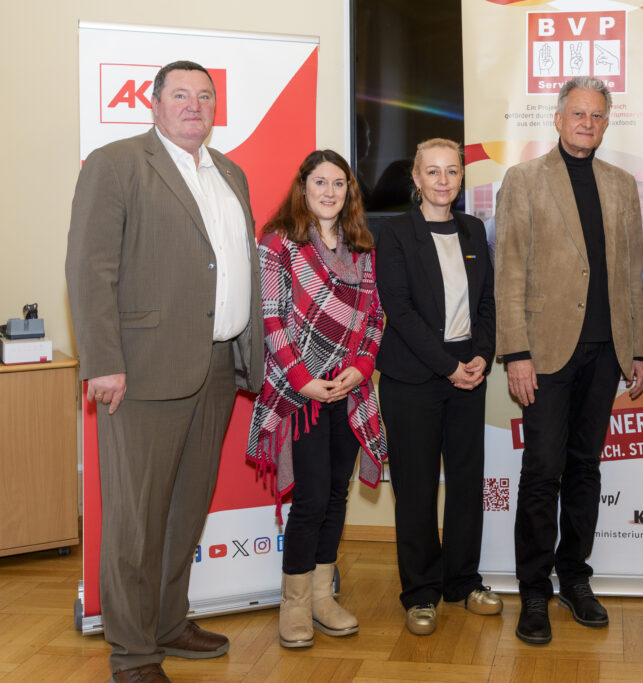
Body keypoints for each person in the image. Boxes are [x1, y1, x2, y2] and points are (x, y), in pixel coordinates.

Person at [65, 60, 263, 682]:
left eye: (205, 96)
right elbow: (88, 270)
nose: (194, 105)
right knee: (135, 519)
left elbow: (235, 267)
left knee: (185, 510)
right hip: (142, 372)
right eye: (180, 94)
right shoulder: (117, 163)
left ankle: (169, 622)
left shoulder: (229, 172)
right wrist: (103, 362)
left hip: (216, 365)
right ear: (153, 103)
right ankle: (132, 652)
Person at [495, 77, 643, 646]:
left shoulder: (619, 184)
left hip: (605, 353)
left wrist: (639, 346)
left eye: (596, 115)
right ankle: (533, 590)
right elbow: (509, 269)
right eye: (577, 113)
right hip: (544, 353)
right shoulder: (524, 179)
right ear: (558, 120)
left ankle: (575, 578)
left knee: (585, 467)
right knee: (542, 470)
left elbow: (632, 272)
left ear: (606, 123)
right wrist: (515, 352)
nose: (587, 122)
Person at [246, 150, 387, 649]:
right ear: (302, 186)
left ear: (349, 191)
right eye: (320, 182)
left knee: (335, 495)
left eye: (339, 184)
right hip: (300, 391)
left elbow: (374, 319)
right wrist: (304, 379)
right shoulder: (279, 241)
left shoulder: (362, 246)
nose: (329, 192)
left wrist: (361, 369)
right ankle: (296, 605)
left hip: (349, 391)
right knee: (308, 501)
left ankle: (324, 597)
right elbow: (273, 318)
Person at [375, 138, 501, 636]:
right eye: (433, 172)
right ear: (416, 178)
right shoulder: (396, 233)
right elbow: (399, 311)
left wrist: (481, 358)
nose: (443, 180)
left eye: (452, 171)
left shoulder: (474, 229)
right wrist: (449, 366)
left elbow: (487, 301)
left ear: (461, 178)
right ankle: (421, 592)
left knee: (468, 484)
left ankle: (463, 581)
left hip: (469, 375)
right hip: (413, 381)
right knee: (417, 488)